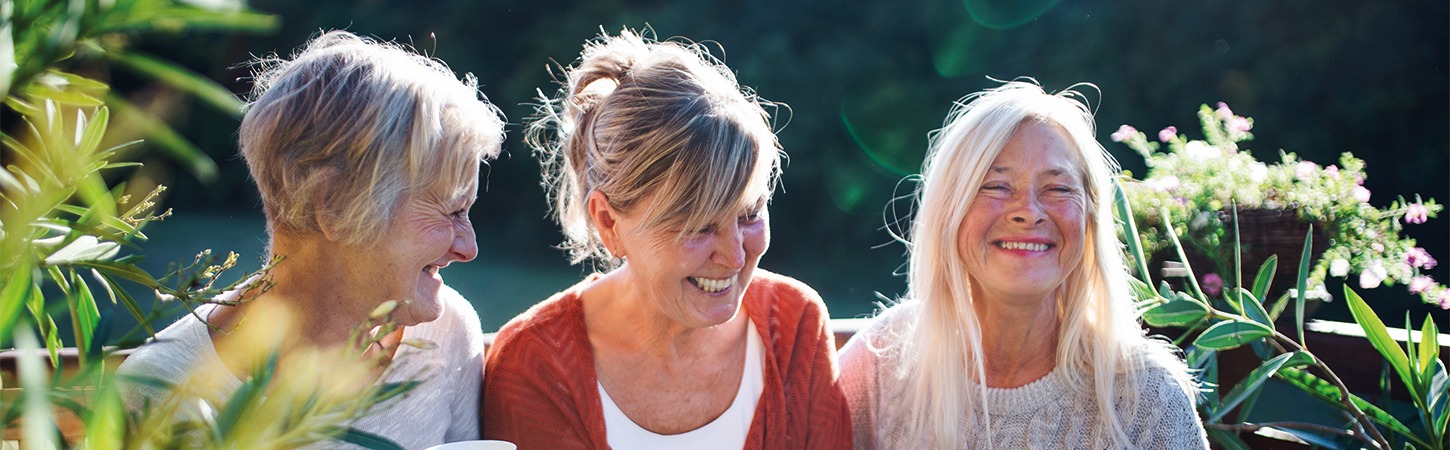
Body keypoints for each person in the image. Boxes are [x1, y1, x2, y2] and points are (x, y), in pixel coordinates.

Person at [116, 30, 505, 448]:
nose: (468, 248)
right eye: (450, 210)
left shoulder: (447, 331)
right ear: (333, 206)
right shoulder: (163, 388)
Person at [481, 29, 852, 449]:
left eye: (749, 214)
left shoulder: (795, 324)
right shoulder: (535, 365)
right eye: (697, 225)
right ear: (608, 222)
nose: (734, 257)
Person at [839, 81, 1208, 449]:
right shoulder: (881, 363)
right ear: (949, 209)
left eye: (1058, 189)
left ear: (1091, 218)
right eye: (997, 186)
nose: (1028, 213)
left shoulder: (1147, 399)